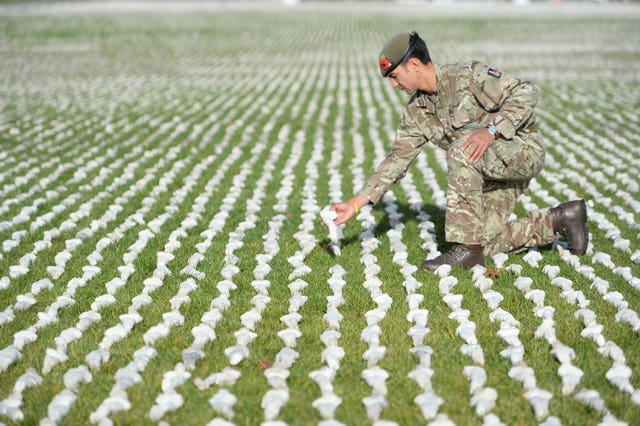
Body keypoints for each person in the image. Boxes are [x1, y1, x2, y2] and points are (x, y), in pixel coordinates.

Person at [330, 32, 588, 270]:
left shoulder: (468, 76)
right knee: (485, 242)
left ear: (415, 65)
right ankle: (562, 218)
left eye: (395, 77)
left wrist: (491, 131)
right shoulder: (417, 112)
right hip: (488, 171)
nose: (394, 85)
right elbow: (397, 160)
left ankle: (466, 250)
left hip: (522, 152)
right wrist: (355, 204)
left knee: (461, 149)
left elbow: (525, 91)